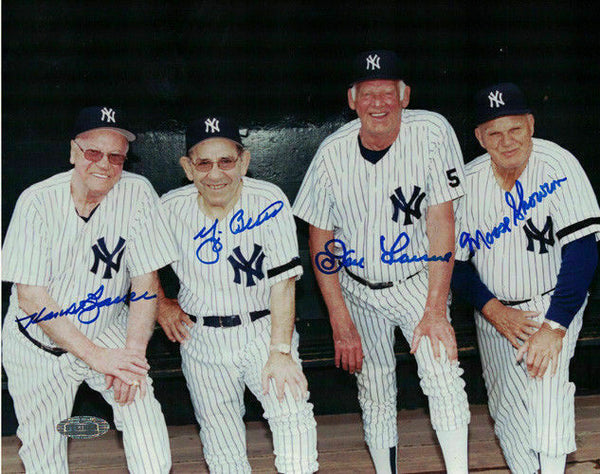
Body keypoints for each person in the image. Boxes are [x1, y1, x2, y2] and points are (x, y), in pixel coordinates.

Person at [293, 50, 470, 473]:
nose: (379, 103)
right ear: (352, 99)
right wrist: (339, 319)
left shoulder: (432, 132)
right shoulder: (332, 153)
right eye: (368, 93)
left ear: (404, 95)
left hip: (415, 281)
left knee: (443, 375)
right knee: (375, 390)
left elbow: (442, 221)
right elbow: (320, 240)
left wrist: (434, 309)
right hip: (356, 288)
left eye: (388, 92)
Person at [1, 106, 176, 473]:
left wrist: (130, 355)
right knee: (44, 457)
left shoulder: (137, 192)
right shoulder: (37, 201)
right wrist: (97, 357)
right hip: (38, 345)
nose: (104, 165)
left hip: (107, 327)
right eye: (93, 152)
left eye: (116, 156)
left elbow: (145, 281)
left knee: (144, 418)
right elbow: (31, 298)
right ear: (73, 153)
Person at [452, 82, 600, 473]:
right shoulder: (466, 182)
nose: (506, 141)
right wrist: (493, 310)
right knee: (506, 409)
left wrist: (554, 327)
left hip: (553, 300)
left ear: (531, 124)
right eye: (494, 133)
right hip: (496, 311)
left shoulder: (558, 164)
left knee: (546, 386)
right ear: (480, 138)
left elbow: (583, 252)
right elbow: (455, 263)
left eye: (515, 128)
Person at [157, 116, 318, 473]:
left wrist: (280, 351)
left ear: (243, 162)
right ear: (188, 168)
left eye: (226, 161)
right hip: (201, 338)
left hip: (264, 329)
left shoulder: (268, 199)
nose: (216, 174)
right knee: (221, 445)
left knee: (293, 417)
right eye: (204, 163)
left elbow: (283, 283)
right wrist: (161, 303)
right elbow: (137, 262)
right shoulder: (169, 207)